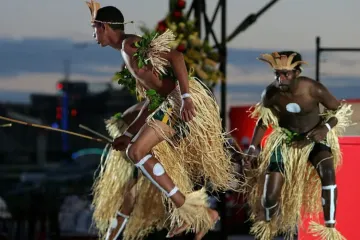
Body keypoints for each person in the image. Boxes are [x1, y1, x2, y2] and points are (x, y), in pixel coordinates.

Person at [85, 1, 239, 239]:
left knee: (137, 153)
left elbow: (177, 57)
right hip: (168, 102)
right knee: (138, 153)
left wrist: (186, 97)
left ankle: (193, 211)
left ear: (103, 26)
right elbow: (152, 101)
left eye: (94, 28)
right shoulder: (127, 52)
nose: (93, 34)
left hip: (178, 100)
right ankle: (196, 214)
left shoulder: (129, 45)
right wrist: (127, 134)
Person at [242, 51, 352, 240]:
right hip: (286, 141)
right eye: (277, 73)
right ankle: (267, 227)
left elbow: (339, 110)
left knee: (328, 172)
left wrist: (324, 128)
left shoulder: (313, 89)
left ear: (297, 73)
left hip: (314, 138)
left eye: (286, 74)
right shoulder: (270, 93)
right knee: (270, 195)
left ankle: (330, 229)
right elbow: (263, 121)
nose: (280, 78)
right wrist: (252, 148)